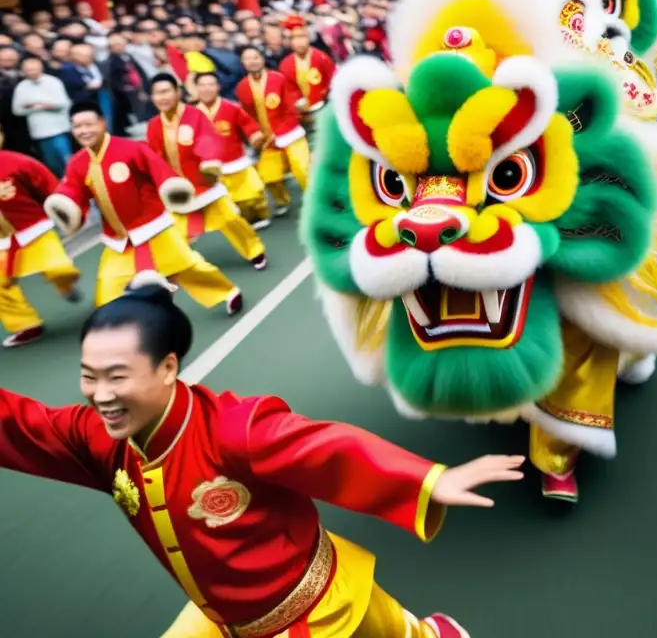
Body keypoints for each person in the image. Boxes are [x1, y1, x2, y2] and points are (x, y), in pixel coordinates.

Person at [0, 273, 522, 637]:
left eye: (117, 376)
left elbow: (328, 449)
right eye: (89, 377)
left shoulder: (233, 430)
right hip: (223, 615)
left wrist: (427, 480)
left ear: (168, 367)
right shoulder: (98, 440)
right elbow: (22, 425)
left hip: (311, 608)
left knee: (388, 629)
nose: (100, 395)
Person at [44, 102, 243, 313]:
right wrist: (66, 207)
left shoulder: (132, 148)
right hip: (119, 239)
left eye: (88, 124)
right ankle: (116, 328)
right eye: (77, 127)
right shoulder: (77, 163)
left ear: (103, 123)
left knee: (189, 267)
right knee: (107, 287)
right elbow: (73, 193)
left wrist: (173, 188)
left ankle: (228, 292)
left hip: (155, 229)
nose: (83, 131)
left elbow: (161, 173)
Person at [146, 74, 267, 270]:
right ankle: (180, 268)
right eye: (157, 93)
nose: (163, 97)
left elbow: (207, 139)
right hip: (178, 191)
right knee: (174, 234)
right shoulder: (153, 125)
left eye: (166, 91)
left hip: (204, 186)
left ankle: (255, 251)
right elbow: (155, 158)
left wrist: (208, 161)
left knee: (231, 219)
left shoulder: (195, 115)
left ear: (178, 92)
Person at [0, 133, 80, 348]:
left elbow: (48, 184)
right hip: (2, 242)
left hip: (34, 230)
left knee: (61, 269)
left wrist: (62, 206)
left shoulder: (17, 162)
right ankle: (25, 325)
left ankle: (64, 286)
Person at [235, 45, 310, 216]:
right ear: (243, 63)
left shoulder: (279, 79)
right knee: (268, 176)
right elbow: (247, 116)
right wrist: (254, 134)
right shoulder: (242, 87)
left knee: (302, 168)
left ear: (262, 59)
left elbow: (291, 107)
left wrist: (280, 129)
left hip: (289, 134)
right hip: (267, 140)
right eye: (248, 58)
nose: (252, 61)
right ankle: (282, 200)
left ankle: (315, 199)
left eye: (255, 57)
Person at [194, 71, 272, 229]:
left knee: (253, 192)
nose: (207, 88)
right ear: (196, 88)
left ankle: (260, 214)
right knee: (231, 200)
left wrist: (254, 136)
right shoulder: (191, 114)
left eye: (211, 84)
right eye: (202, 85)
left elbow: (248, 125)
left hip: (236, 160)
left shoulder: (231, 107)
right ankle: (245, 219)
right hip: (212, 168)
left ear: (218, 87)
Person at [278, 15, 335, 126]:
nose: (299, 42)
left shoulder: (321, 57)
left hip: (326, 108)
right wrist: (299, 106)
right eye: (294, 38)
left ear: (308, 38)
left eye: (302, 37)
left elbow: (332, 80)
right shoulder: (285, 64)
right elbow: (289, 91)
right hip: (304, 114)